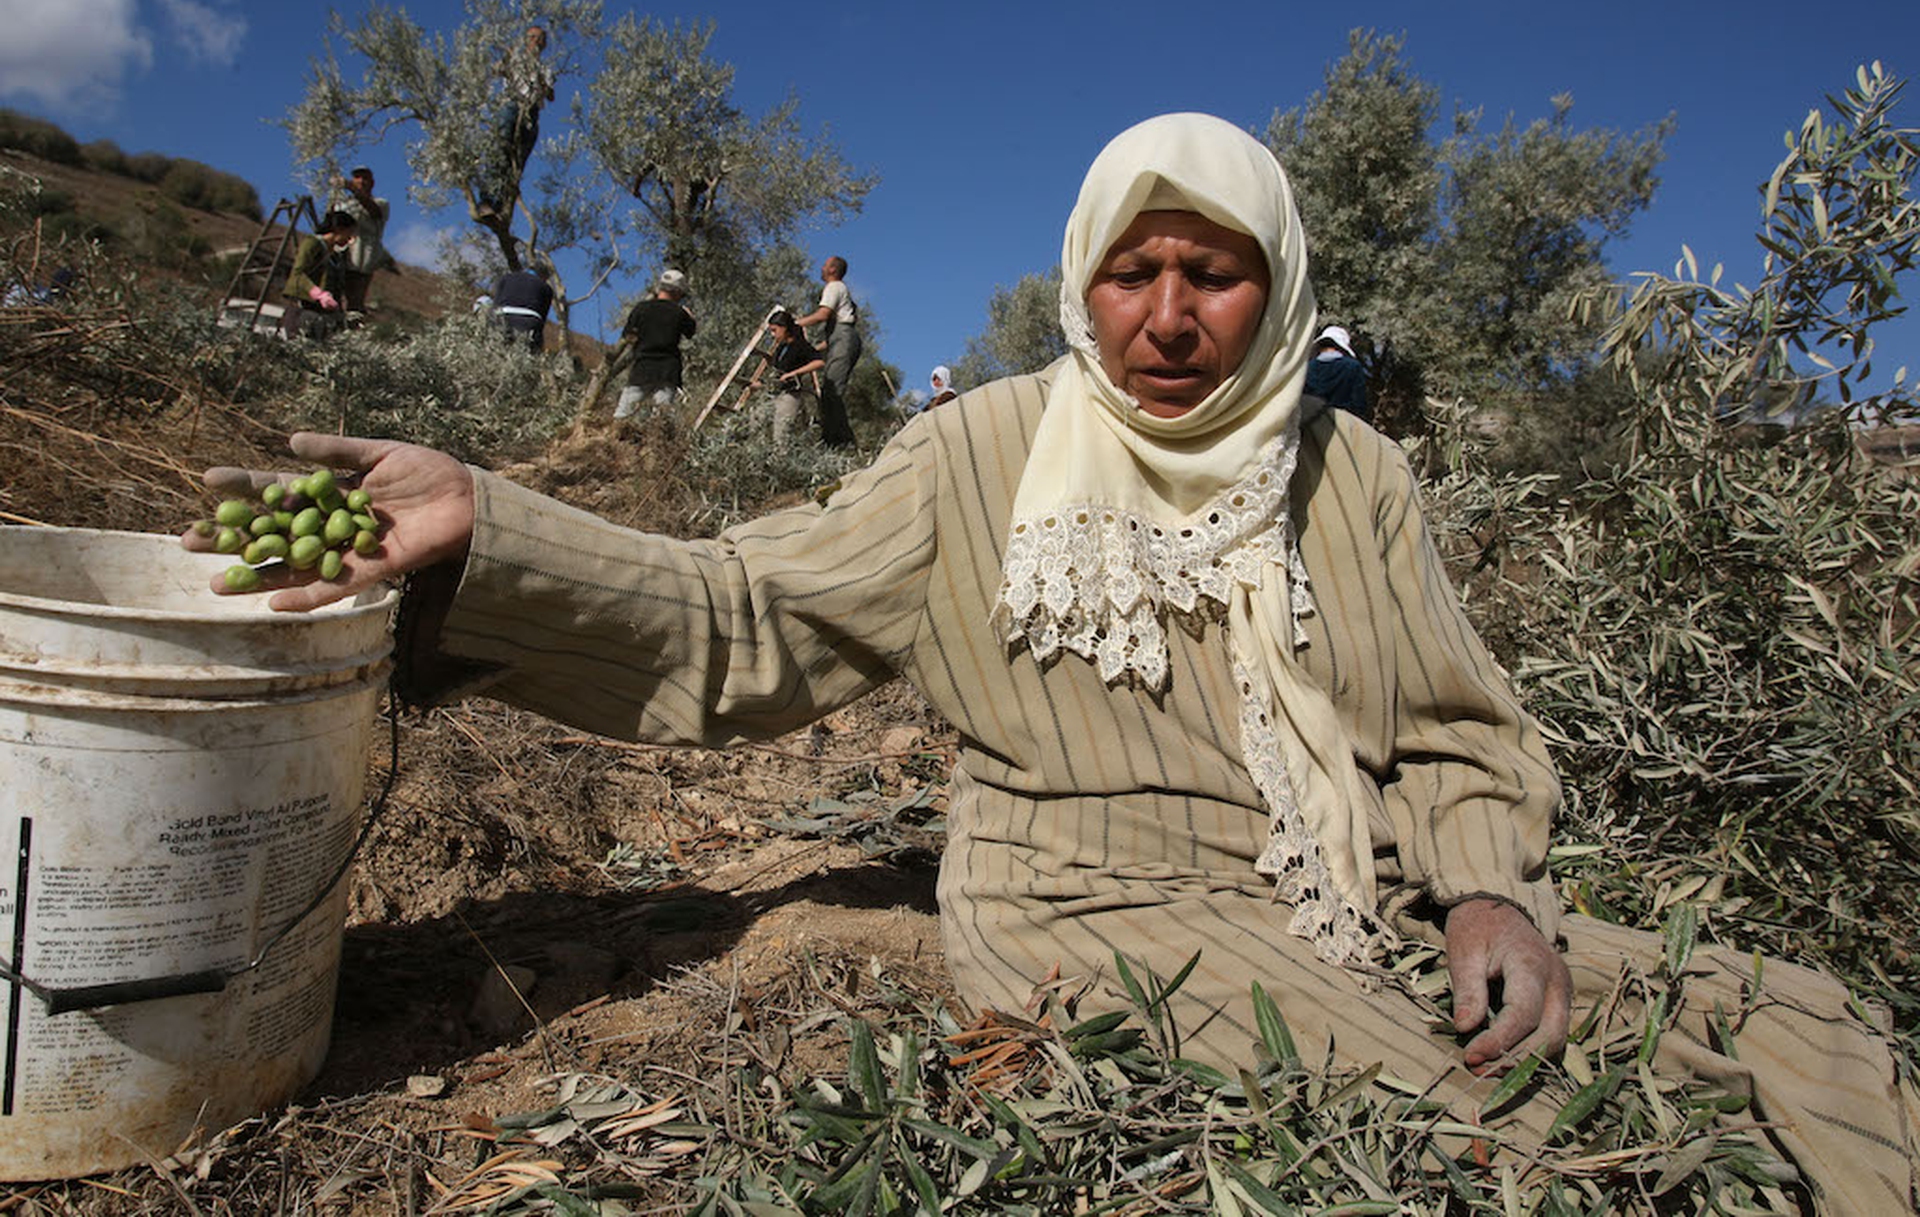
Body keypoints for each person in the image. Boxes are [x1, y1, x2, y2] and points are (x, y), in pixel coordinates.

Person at [187, 114, 1916, 1213]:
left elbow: (1455, 728)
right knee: (1483, 1140)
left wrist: (1486, 895)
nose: (1170, 315)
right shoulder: (981, 451)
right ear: (1084, 288)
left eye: (1215, 272)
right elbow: (744, 621)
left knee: (1796, 1024)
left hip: (1350, 878)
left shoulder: (1354, 470)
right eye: (1133, 272)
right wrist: (490, 523)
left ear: (1276, 285)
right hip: (1091, 896)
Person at [479, 25, 556, 218]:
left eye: (539, 39)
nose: (535, 42)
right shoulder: (515, 60)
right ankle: (488, 201)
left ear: (544, 44)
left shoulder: (545, 69)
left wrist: (542, 82)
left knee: (518, 162)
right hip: (511, 106)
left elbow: (551, 95)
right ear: (525, 39)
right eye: (531, 37)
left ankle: (504, 207)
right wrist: (507, 58)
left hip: (532, 112)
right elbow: (496, 70)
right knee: (500, 149)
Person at [792, 255, 861, 446]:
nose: (821, 268)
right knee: (830, 392)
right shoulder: (840, 289)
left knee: (832, 392)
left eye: (825, 265)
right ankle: (835, 439)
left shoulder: (834, 287)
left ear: (832, 270)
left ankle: (840, 442)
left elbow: (823, 314)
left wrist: (794, 325)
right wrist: (816, 349)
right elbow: (835, 337)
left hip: (844, 339)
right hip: (843, 339)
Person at [611, 269, 696, 418]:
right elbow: (690, 332)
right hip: (667, 372)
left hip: (642, 368)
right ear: (678, 292)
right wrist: (690, 317)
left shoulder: (641, 309)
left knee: (622, 415)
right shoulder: (679, 313)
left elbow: (628, 336)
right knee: (661, 420)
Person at [282, 210, 356, 339]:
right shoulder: (312, 244)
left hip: (322, 316)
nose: (350, 238)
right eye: (349, 233)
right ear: (338, 229)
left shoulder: (336, 257)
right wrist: (318, 294)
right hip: (302, 310)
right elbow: (297, 274)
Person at [754, 308, 821, 446]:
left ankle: (781, 462)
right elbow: (776, 372)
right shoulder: (780, 348)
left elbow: (819, 362)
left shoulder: (800, 345)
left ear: (784, 328)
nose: (773, 335)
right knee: (756, 419)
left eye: (775, 330)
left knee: (781, 433)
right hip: (774, 394)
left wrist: (794, 373)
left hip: (790, 395)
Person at [335, 168, 393, 314]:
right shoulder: (345, 204)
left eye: (365, 178)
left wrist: (351, 188)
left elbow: (373, 211)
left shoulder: (381, 203)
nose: (361, 181)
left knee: (354, 302)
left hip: (362, 261)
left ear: (372, 183)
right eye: (357, 177)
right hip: (340, 256)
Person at [1306, 324, 1370, 421]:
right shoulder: (1353, 367)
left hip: (1311, 423)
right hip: (1345, 422)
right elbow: (1359, 404)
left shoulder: (1308, 368)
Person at [489, 265, 553, 354]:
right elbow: (543, 316)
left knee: (496, 352)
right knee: (528, 355)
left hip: (503, 316)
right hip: (529, 321)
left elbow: (496, 303)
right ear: (543, 275)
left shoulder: (506, 278)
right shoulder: (546, 288)